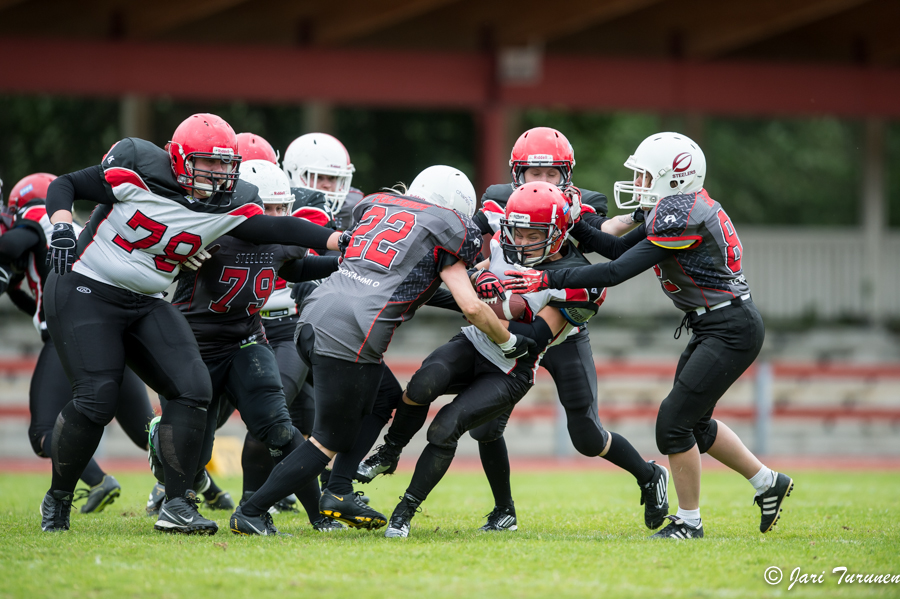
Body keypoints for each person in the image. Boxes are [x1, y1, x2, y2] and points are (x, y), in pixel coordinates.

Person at [39, 112, 341, 534]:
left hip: (144, 298)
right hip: (87, 285)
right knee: (97, 398)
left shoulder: (232, 202)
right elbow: (65, 184)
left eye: (225, 164)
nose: (218, 173)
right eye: (208, 162)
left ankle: (177, 503)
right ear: (178, 158)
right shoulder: (137, 166)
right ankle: (58, 499)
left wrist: (339, 241)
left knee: (192, 387)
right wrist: (61, 225)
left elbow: (278, 227)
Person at [359, 127, 669, 533]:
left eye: (551, 174)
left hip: (557, 327)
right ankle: (503, 509)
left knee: (587, 436)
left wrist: (642, 218)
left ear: (567, 176)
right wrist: (477, 274)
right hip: (504, 325)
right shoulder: (499, 203)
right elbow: (463, 243)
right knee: (484, 426)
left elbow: (607, 245)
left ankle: (649, 476)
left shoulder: (580, 208)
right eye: (531, 173)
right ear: (515, 173)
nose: (540, 183)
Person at [504, 131, 793, 539]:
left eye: (644, 176)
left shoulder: (682, 214)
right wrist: (576, 226)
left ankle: (689, 523)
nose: (637, 184)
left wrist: (544, 277)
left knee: (673, 424)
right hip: (715, 324)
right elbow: (617, 251)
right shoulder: (678, 206)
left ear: (672, 178)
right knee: (694, 423)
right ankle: (767, 482)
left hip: (729, 326)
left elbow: (614, 273)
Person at [228, 165, 531, 535]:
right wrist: (508, 341)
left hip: (312, 316)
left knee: (384, 395)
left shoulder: (378, 207)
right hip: (351, 331)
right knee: (329, 439)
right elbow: (470, 306)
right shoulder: (448, 229)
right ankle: (253, 509)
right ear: (457, 208)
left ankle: (338, 491)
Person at [380, 182, 608, 538]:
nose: (522, 237)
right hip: (474, 343)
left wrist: (489, 308)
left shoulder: (577, 278)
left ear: (560, 233)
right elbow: (471, 278)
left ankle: (404, 511)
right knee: (423, 382)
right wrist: (481, 275)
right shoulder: (503, 244)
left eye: (534, 231)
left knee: (446, 426)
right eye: (516, 227)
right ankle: (389, 451)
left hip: (511, 365)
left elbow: (531, 339)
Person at [146, 158, 344, 533]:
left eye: (280, 208)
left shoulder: (285, 239)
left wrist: (340, 263)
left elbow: (294, 270)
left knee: (279, 426)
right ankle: (174, 496)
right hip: (192, 346)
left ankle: (319, 516)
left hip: (245, 339)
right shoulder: (208, 229)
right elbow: (152, 266)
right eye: (266, 208)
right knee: (195, 449)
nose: (274, 217)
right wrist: (179, 258)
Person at [0, 173, 154, 514]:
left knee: (42, 431)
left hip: (73, 332)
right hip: (110, 329)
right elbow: (35, 299)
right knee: (147, 432)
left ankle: (98, 480)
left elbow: (11, 245)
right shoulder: (77, 225)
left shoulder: (33, 219)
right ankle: (204, 486)